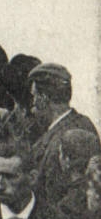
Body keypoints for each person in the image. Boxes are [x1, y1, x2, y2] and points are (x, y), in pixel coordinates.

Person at [28, 62, 100, 206]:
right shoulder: (82, 123)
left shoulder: (69, 136)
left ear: (43, 98)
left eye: (34, 96)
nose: (33, 104)